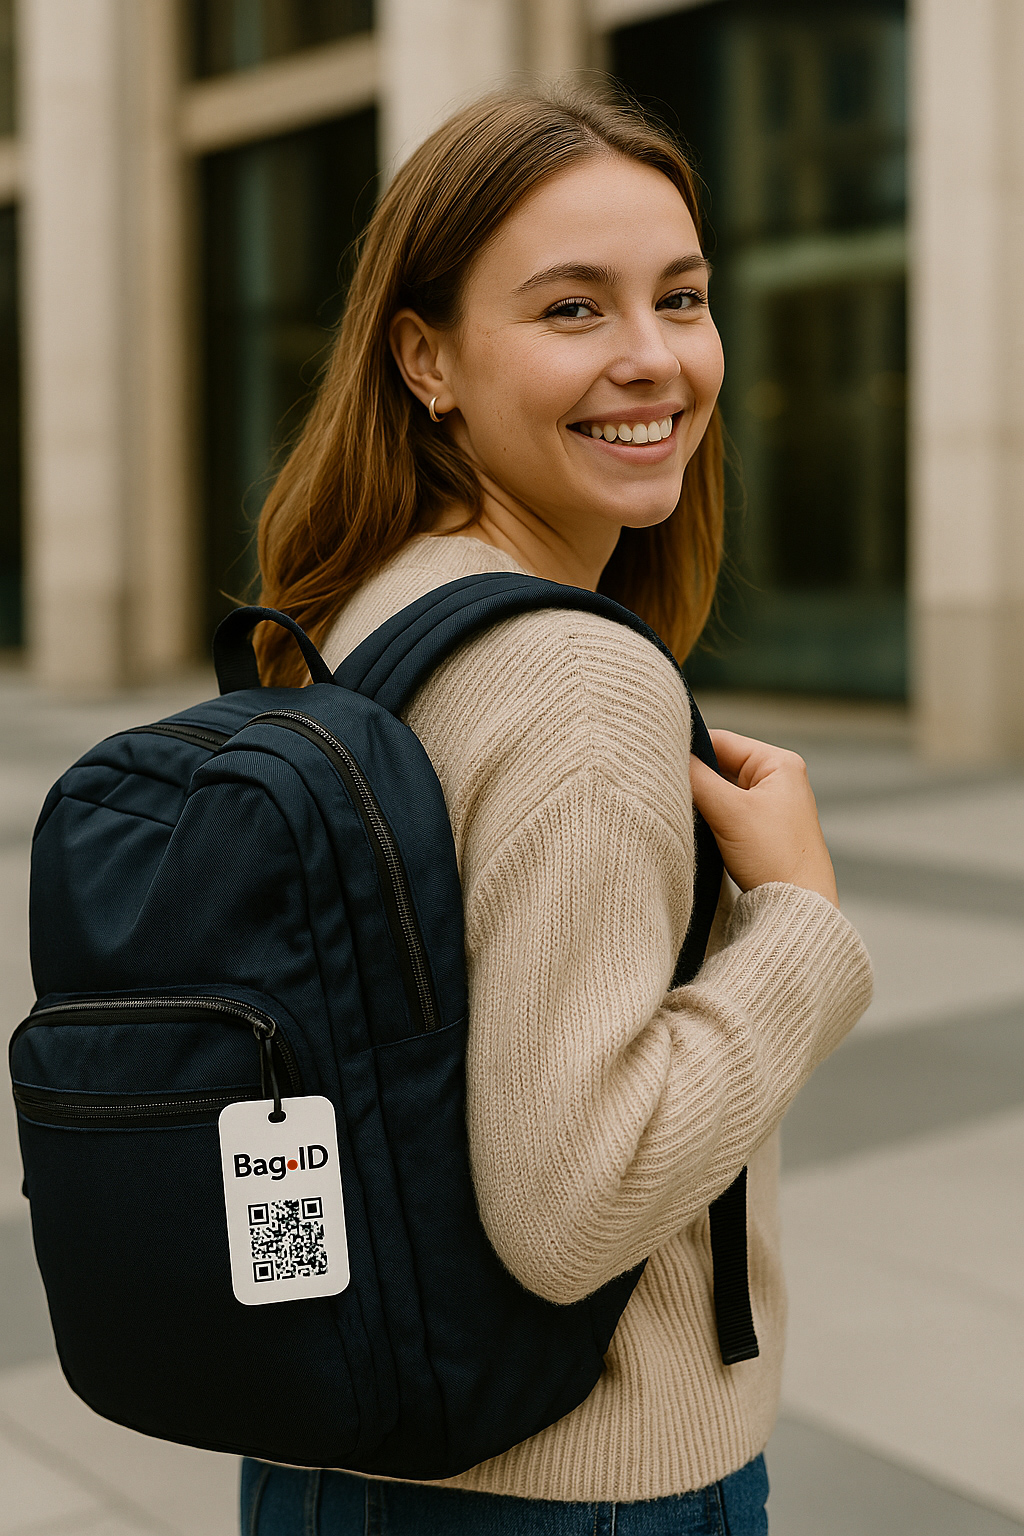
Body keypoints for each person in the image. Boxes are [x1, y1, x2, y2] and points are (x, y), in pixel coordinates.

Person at [240, 85, 873, 1536]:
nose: (655, 359)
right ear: (427, 358)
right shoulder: (573, 682)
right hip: (571, 1489)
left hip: (349, 1454)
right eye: (573, 311)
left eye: (684, 297)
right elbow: (573, 1208)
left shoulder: (369, 609)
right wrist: (802, 922)